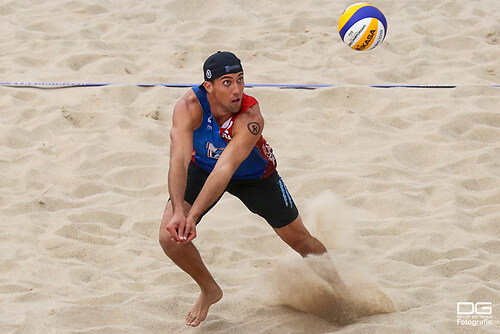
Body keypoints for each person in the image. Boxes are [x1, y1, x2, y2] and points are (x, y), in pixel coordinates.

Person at [159, 51, 347, 327]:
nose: (237, 89)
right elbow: (178, 161)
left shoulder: (250, 116)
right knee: (169, 238)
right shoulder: (188, 106)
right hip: (202, 167)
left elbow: (225, 171)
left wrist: (193, 214)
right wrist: (179, 212)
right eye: (227, 82)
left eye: (240, 80)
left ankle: (344, 292)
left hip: (255, 175)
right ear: (208, 86)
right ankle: (209, 289)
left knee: (301, 241)